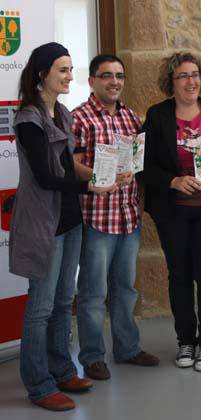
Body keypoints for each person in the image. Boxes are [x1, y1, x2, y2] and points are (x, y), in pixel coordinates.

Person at [10, 42, 115, 411]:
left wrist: (99, 174)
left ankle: (60, 370)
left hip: (70, 220)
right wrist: (91, 187)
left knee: (61, 302)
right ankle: (39, 385)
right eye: (63, 70)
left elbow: (68, 168)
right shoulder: (28, 118)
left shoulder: (64, 114)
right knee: (40, 308)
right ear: (43, 74)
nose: (71, 76)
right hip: (44, 223)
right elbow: (45, 177)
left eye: (71, 69)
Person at [142, 52, 201, 372]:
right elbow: (144, 165)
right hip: (173, 212)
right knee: (180, 277)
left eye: (195, 74)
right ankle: (186, 340)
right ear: (171, 81)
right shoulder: (157, 115)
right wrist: (173, 181)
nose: (191, 81)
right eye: (183, 75)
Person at [72, 54, 159, 381]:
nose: (114, 81)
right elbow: (71, 164)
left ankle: (127, 348)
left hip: (128, 216)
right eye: (106, 75)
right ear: (92, 81)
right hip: (96, 218)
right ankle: (92, 356)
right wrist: (98, 175)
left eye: (119, 75)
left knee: (126, 289)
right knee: (93, 293)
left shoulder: (130, 117)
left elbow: (137, 162)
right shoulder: (79, 118)